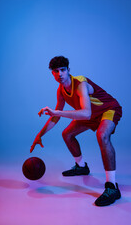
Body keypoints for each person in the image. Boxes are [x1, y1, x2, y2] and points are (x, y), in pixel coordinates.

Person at [30, 56, 122, 206]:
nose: (60, 74)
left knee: (102, 135)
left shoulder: (80, 84)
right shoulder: (61, 91)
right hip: (92, 114)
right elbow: (55, 117)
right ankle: (81, 166)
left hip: (108, 109)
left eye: (63, 70)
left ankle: (112, 187)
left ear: (68, 70)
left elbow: (85, 113)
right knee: (67, 134)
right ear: (52, 74)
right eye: (56, 71)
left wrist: (57, 112)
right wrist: (39, 135)